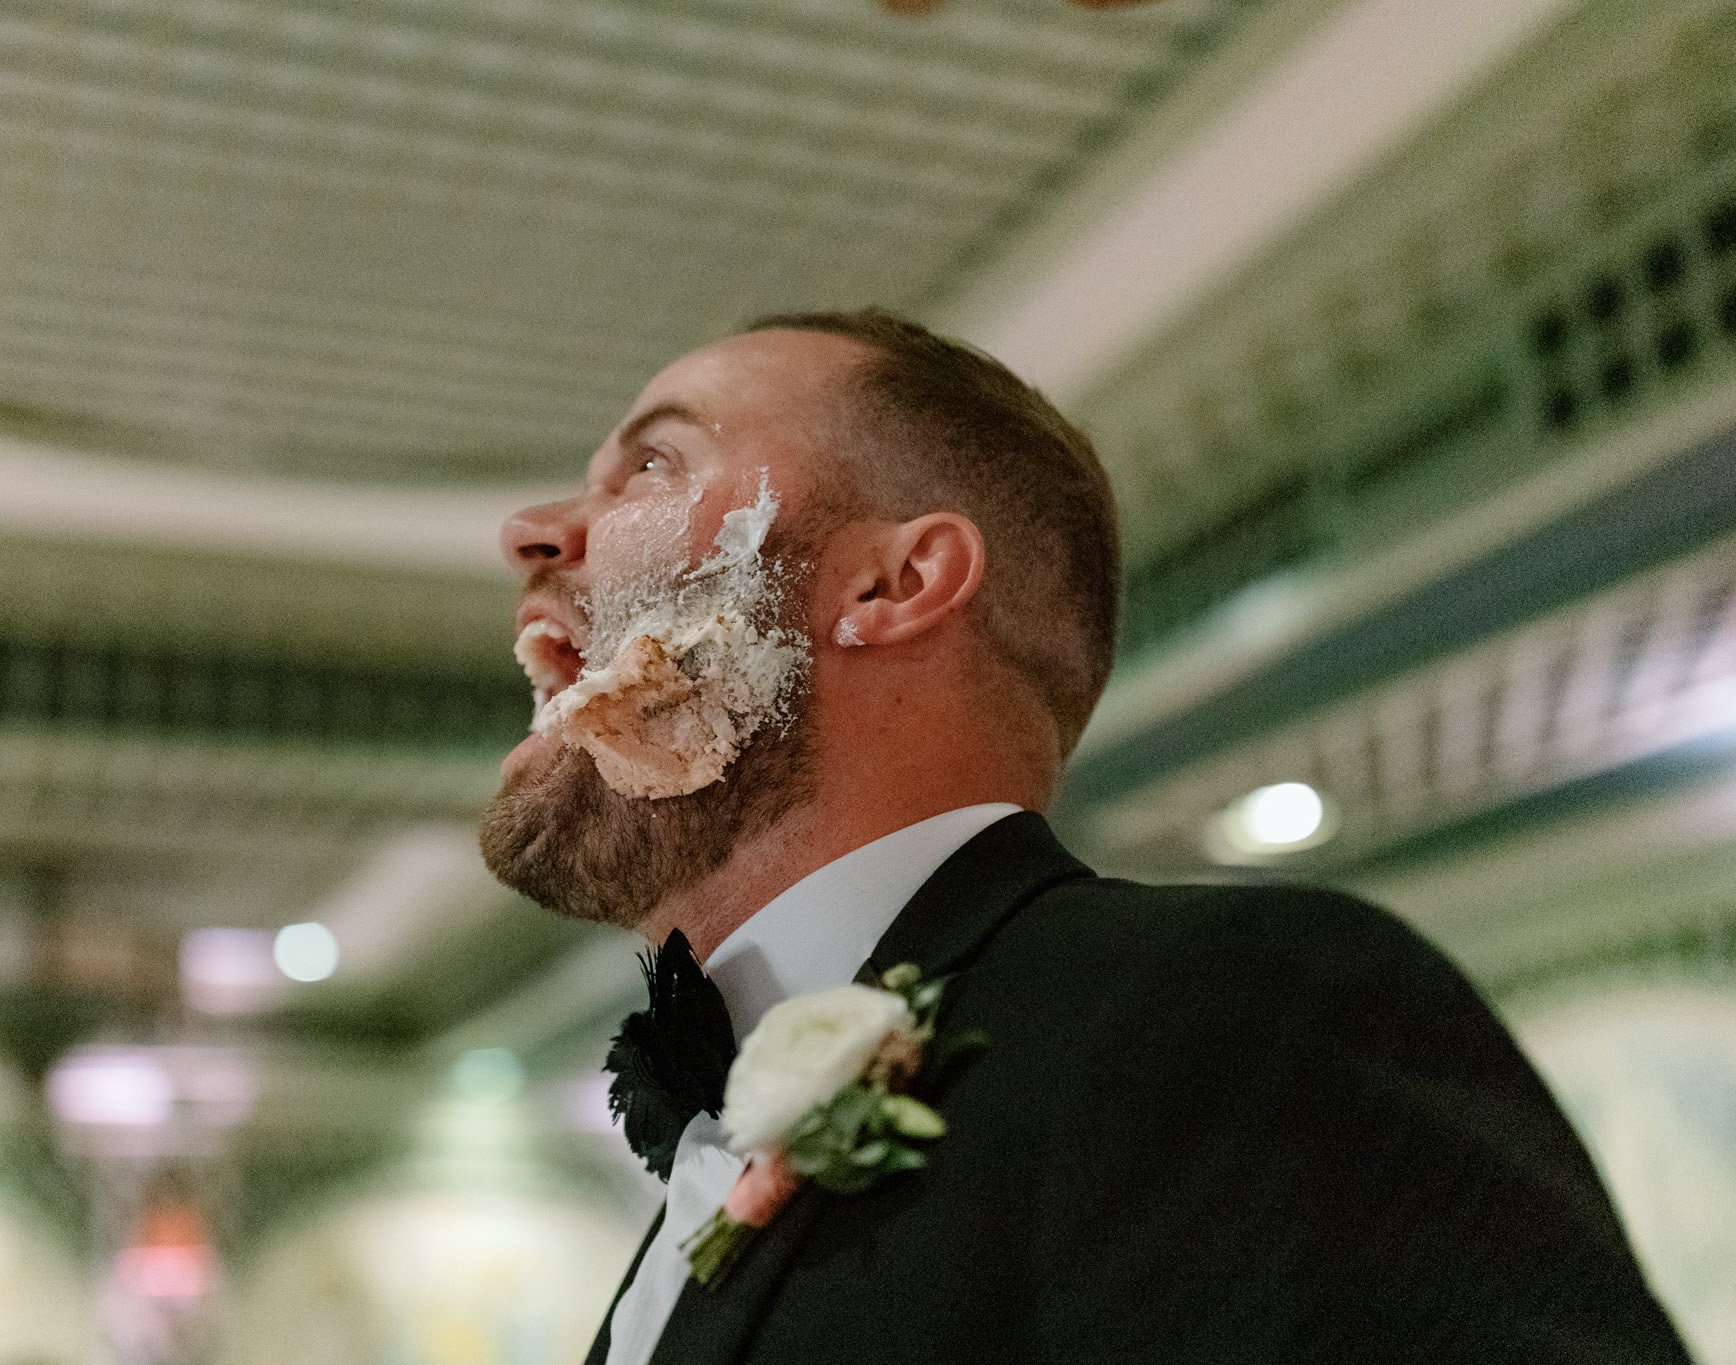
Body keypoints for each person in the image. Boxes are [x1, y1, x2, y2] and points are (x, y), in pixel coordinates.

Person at [479, 310, 1691, 1365]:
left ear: (891, 587)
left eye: (649, 466)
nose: (534, 531)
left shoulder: (1232, 1008)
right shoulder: (712, 1144)